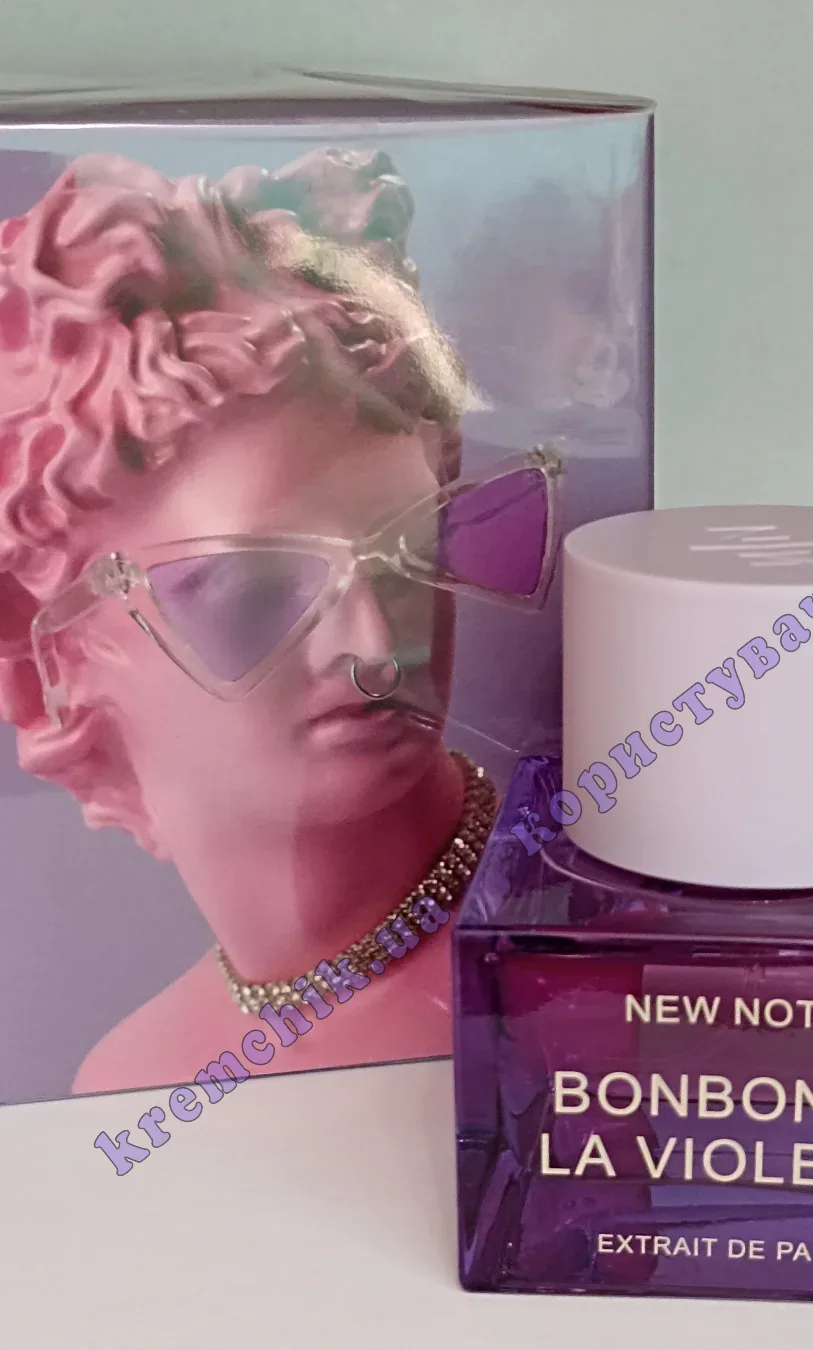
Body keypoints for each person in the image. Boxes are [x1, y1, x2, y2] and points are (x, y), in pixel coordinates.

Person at [0, 147, 558, 1093]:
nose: (375, 653)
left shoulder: (559, 994)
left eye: (412, 551)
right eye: (254, 591)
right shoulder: (131, 1076)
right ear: (54, 664)